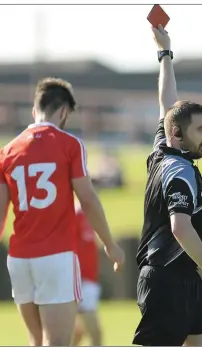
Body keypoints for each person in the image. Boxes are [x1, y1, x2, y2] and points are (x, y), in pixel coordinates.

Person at [0, 77, 125, 346]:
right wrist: (110, 244)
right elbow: (88, 199)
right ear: (64, 112)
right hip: (56, 257)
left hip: (19, 259)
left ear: (34, 111)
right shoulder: (70, 144)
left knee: (36, 341)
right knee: (57, 342)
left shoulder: (6, 151)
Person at [132, 25, 202, 347]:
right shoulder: (178, 170)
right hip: (165, 279)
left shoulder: (164, 146)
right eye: (201, 129)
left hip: (185, 277)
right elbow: (180, 228)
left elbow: (166, 102)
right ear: (178, 134)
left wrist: (165, 54)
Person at [73, 202, 102, 346]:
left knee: (76, 335)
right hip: (80, 282)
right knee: (95, 333)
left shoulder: (91, 214)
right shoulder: (75, 214)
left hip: (90, 279)